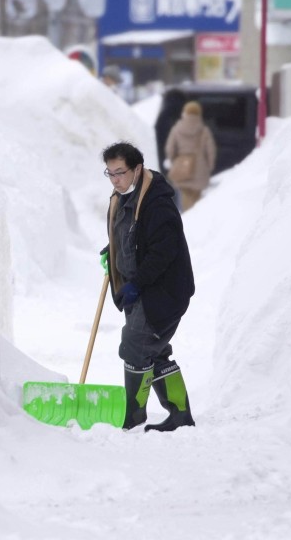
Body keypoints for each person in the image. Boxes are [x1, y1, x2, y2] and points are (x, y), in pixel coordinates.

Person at [99, 141, 196, 432]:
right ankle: (179, 414)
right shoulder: (123, 196)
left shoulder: (157, 203)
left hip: (162, 292)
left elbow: (161, 253)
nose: (115, 179)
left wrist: (136, 283)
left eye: (120, 172)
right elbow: (131, 234)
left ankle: (133, 414)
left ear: (137, 169)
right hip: (138, 289)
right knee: (154, 350)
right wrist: (113, 249)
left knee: (135, 344)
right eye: (109, 173)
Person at [164, 100, 217, 212]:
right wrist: (209, 166)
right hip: (200, 169)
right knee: (197, 203)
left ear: (184, 113)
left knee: (184, 200)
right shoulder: (204, 130)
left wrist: (175, 161)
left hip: (182, 169)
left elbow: (170, 149)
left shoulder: (176, 129)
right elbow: (211, 150)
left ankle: (186, 222)